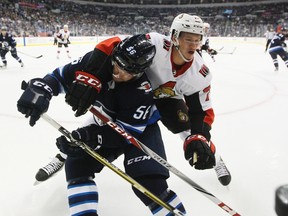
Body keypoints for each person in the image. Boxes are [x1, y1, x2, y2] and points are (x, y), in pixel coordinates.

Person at [35, 13, 232, 187]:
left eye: (198, 40)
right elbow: (114, 45)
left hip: (166, 99)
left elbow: (202, 111)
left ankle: (216, 159)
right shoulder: (154, 42)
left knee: (190, 132)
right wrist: (92, 76)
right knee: (99, 121)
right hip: (132, 91)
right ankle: (62, 156)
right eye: (189, 39)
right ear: (174, 37)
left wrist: (199, 138)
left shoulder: (200, 73)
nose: (194, 45)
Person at [17, 34, 187, 216]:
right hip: (102, 122)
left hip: (140, 130)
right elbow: (57, 77)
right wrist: (41, 90)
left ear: (140, 71)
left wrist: (91, 136)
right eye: (118, 63)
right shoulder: (95, 62)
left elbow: (124, 134)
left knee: (148, 183)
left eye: (128, 71)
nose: (118, 73)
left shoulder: (140, 91)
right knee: (77, 163)